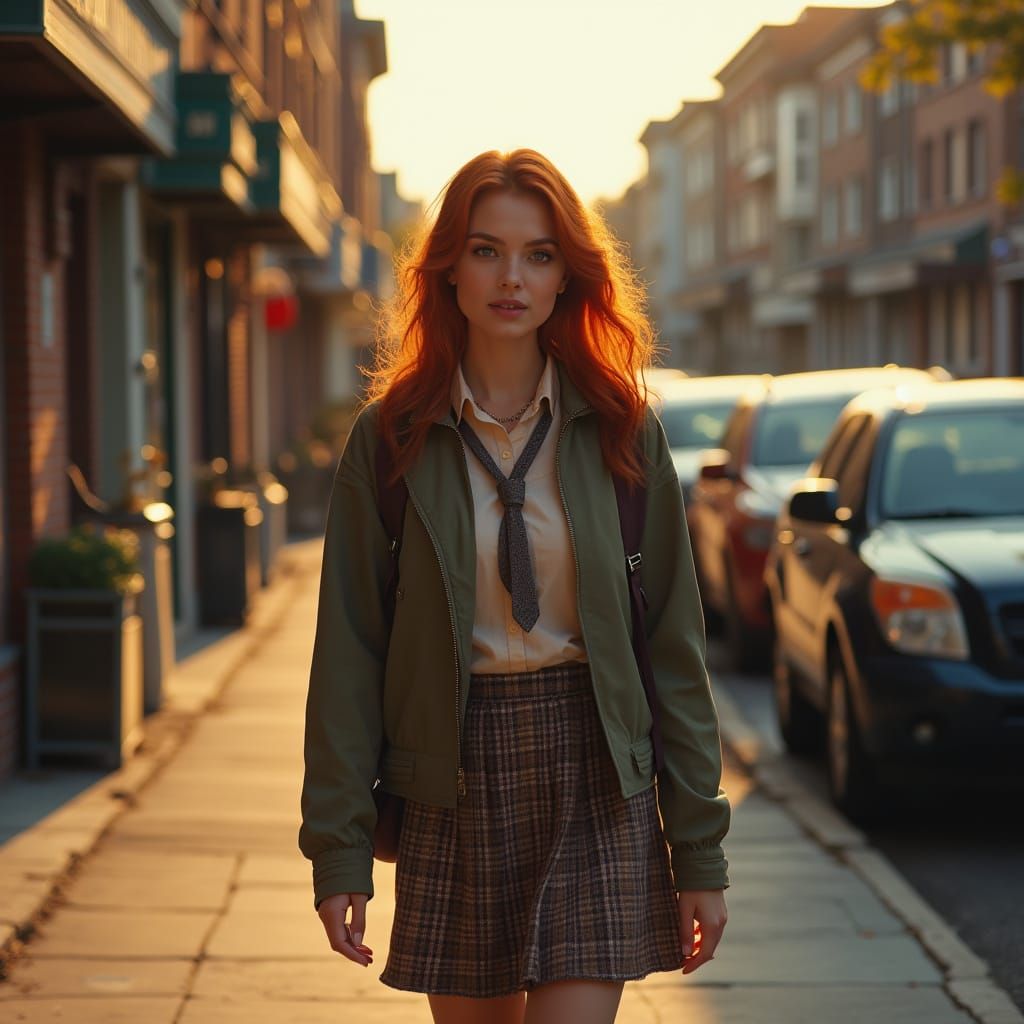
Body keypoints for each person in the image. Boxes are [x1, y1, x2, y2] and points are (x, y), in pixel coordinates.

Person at [298, 148, 731, 1024]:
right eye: (486, 250)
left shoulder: (622, 430)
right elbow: (348, 655)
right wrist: (339, 852)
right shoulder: (389, 440)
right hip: (453, 777)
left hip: (596, 772)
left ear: (567, 275)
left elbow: (675, 651)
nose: (511, 278)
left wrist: (699, 852)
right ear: (448, 268)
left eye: (538, 254)